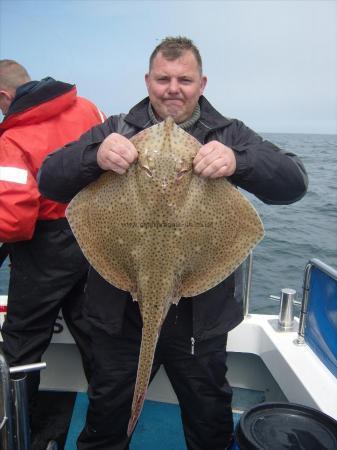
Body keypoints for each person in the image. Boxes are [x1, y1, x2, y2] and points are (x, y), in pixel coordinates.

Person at [38, 37, 308, 450]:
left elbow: (293, 182)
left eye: (184, 79)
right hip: (119, 317)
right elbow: (49, 180)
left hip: (200, 321)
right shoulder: (115, 129)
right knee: (106, 421)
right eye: (163, 78)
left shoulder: (228, 133)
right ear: (148, 81)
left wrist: (240, 161)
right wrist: (93, 155)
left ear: (202, 83)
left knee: (209, 424)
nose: (172, 88)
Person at [0, 60, 105, 438]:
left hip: (45, 249)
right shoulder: (88, 108)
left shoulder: (11, 139)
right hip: (95, 240)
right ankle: (106, 434)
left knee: (22, 345)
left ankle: (16, 432)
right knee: (99, 341)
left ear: (4, 97)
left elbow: (14, 220)